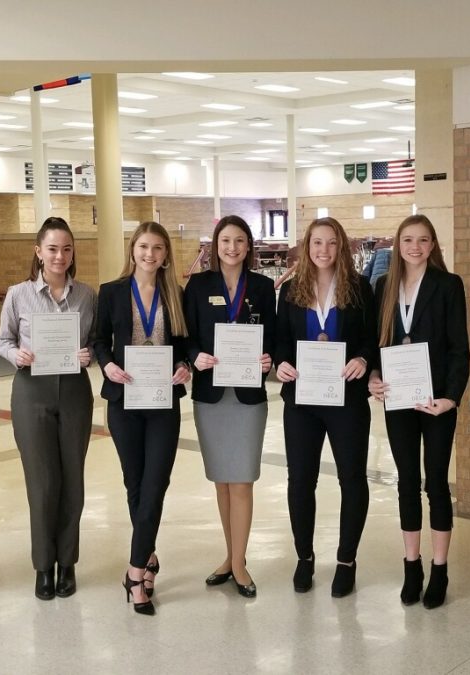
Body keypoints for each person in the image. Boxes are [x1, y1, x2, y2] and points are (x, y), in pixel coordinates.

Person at [367, 215, 469, 608]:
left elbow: (459, 347)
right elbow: (378, 343)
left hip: (436, 401)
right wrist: (373, 375)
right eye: (408, 239)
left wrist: (452, 398)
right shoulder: (383, 286)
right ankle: (413, 566)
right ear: (398, 244)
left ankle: (440, 568)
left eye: (423, 240)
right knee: (406, 481)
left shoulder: (448, 285)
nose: (415, 246)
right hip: (398, 399)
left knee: (437, 484)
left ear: (433, 244)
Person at [93, 222, 192, 616]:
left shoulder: (175, 294)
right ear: (133, 249)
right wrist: (107, 365)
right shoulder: (112, 292)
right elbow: (99, 339)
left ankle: (135, 572)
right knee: (134, 484)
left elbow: (184, 343)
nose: (150, 254)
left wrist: (185, 364)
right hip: (125, 398)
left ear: (166, 254)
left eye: (157, 248)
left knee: (156, 484)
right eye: (143, 247)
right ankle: (148, 557)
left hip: (163, 399)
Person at [275, 217, 376, 598]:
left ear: (342, 247)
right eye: (317, 243)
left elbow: (371, 338)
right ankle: (304, 557)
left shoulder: (360, 288)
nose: (323, 251)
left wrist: (364, 360)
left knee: (352, 479)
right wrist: (282, 362)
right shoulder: (290, 291)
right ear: (306, 246)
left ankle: (347, 560)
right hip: (301, 400)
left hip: (346, 399)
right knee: (301, 480)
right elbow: (280, 339)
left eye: (331, 243)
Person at [0, 216, 97, 601]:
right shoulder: (18, 294)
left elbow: (97, 340)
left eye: (67, 249)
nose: (60, 256)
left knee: (73, 480)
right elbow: (2, 339)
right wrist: (14, 353)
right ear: (38, 252)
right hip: (31, 392)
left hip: (73, 391)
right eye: (52, 248)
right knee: (42, 483)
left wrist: (89, 355)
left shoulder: (87, 295)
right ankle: (43, 566)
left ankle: (67, 562)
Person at [183, 215, 276, 598]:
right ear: (215, 246)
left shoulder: (264, 286)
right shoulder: (199, 286)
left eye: (240, 241)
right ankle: (229, 555)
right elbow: (184, 334)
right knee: (222, 481)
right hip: (211, 396)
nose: (232, 248)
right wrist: (195, 357)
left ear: (248, 246)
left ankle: (239, 563)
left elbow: (274, 334)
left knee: (242, 479)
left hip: (248, 397)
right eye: (225, 241)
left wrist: (270, 358)